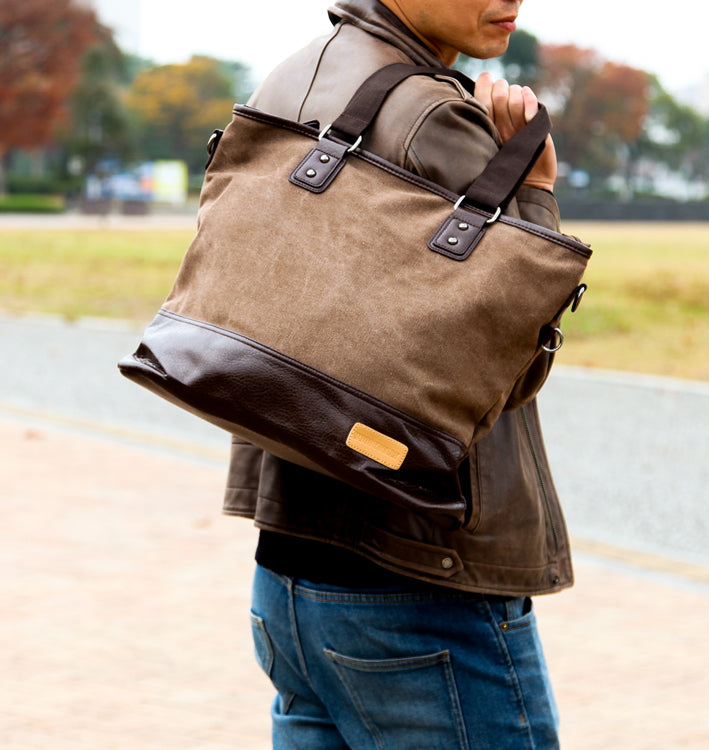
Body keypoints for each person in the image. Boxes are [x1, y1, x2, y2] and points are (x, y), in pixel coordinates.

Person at [224, 1, 570, 747]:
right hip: (418, 583)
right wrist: (534, 187)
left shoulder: (293, 73)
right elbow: (507, 365)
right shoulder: (434, 115)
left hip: (288, 572)